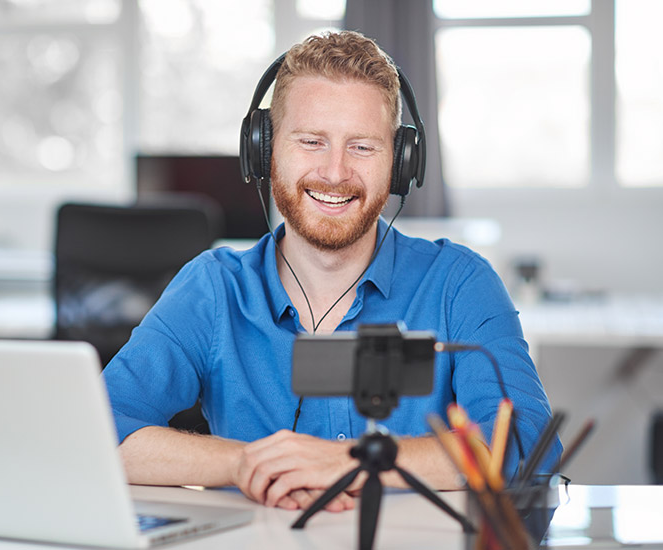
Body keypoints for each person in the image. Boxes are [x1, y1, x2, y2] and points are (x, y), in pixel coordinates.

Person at [102, 30, 561, 513]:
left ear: (402, 163)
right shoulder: (213, 288)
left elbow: (527, 442)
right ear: (265, 150)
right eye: (311, 141)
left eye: (362, 147)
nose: (335, 172)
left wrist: (349, 462)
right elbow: (102, 428)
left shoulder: (459, 283)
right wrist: (252, 463)